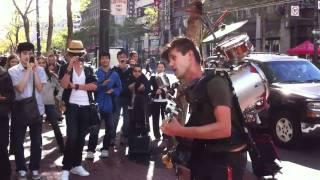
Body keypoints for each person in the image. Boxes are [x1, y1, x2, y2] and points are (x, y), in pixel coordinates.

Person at [160, 37, 247, 180]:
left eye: (174, 58)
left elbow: (224, 129)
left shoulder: (215, 82)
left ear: (189, 55)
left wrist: (180, 130)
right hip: (207, 157)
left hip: (224, 162)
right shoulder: (195, 87)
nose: (170, 64)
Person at [59, 40, 97, 180]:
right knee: (72, 137)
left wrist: (75, 86)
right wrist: (69, 67)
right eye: (73, 54)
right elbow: (63, 84)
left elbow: (94, 86)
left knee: (81, 138)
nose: (76, 56)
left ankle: (77, 164)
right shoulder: (64, 67)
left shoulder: (88, 68)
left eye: (78, 54)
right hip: (72, 106)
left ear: (82, 54)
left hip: (86, 106)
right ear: (69, 54)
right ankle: (65, 168)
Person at [8, 42, 47, 180]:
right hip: (20, 110)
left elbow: (40, 88)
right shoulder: (13, 71)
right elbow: (20, 88)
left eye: (30, 53)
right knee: (19, 141)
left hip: (37, 110)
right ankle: (21, 168)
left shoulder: (40, 70)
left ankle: (35, 167)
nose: (27, 56)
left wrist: (35, 70)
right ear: (19, 55)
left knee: (37, 141)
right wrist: (28, 70)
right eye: (24, 53)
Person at [87, 51, 122, 158]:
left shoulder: (115, 74)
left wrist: (113, 91)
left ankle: (105, 148)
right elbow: (92, 88)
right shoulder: (96, 73)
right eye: (102, 58)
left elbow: (119, 87)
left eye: (106, 58)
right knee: (94, 129)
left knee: (110, 128)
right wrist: (102, 85)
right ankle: (91, 150)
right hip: (97, 105)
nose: (104, 60)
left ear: (109, 60)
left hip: (110, 105)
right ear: (100, 60)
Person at [38, 56, 64, 153]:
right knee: (37, 129)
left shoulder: (52, 76)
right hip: (37, 105)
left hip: (49, 104)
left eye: (43, 63)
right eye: (39, 62)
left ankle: (61, 146)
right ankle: (38, 148)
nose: (41, 65)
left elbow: (61, 86)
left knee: (55, 126)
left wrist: (58, 97)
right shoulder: (33, 74)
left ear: (46, 64)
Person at [112, 50, 131, 145]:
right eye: (120, 56)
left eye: (124, 56)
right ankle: (112, 137)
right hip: (117, 97)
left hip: (128, 98)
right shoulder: (114, 70)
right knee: (115, 118)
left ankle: (125, 136)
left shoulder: (132, 69)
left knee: (127, 119)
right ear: (118, 59)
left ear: (127, 58)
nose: (122, 58)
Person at [127, 64, 151, 140]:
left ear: (141, 72)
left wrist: (143, 89)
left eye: (139, 71)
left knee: (143, 122)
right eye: (135, 71)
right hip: (131, 105)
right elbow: (123, 91)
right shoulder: (129, 78)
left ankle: (144, 140)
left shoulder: (144, 78)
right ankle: (132, 142)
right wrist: (129, 88)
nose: (137, 73)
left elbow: (149, 89)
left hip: (142, 106)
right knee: (131, 123)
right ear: (132, 71)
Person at [0, 66, 15, 180]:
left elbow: (10, 96)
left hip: (2, 117)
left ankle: (5, 174)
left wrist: (3, 99)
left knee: (2, 146)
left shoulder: (4, 75)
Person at [149, 61, 170, 140]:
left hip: (164, 100)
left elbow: (169, 88)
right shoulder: (153, 77)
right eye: (159, 67)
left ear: (164, 68)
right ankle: (157, 135)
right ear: (156, 68)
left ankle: (165, 134)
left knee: (165, 118)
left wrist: (164, 90)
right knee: (155, 118)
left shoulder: (166, 77)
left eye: (162, 67)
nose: (160, 69)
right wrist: (155, 92)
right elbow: (149, 89)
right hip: (155, 101)